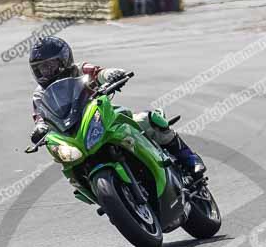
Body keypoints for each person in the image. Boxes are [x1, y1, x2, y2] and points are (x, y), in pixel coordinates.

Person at [28, 36, 205, 177]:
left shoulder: (79, 69)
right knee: (66, 160)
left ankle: (189, 158)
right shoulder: (39, 94)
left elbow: (98, 72)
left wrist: (111, 74)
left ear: (64, 60)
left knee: (149, 120)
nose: (46, 72)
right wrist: (39, 128)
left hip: (101, 117)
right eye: (40, 68)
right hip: (72, 133)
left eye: (50, 65)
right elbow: (39, 117)